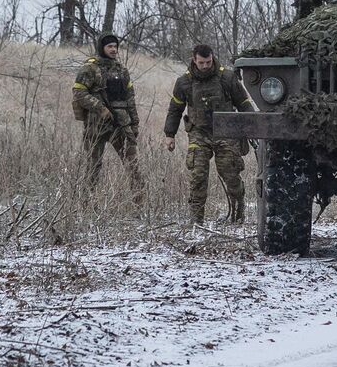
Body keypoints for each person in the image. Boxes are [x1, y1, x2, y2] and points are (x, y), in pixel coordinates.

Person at [163, 44, 256, 224]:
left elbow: (244, 103)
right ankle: (196, 220)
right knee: (198, 175)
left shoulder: (227, 78)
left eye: (208, 61)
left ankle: (237, 216)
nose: (205, 66)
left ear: (212, 58)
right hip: (199, 132)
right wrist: (169, 134)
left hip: (227, 132)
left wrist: (251, 127)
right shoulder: (184, 82)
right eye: (201, 62)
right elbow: (175, 109)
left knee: (230, 173)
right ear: (194, 59)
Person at [73, 33, 144, 200]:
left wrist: (134, 123)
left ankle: (140, 203)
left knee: (132, 164)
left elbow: (130, 98)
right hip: (97, 124)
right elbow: (79, 92)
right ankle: (85, 202)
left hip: (121, 124)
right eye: (109, 46)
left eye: (115, 46)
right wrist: (100, 108)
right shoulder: (90, 69)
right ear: (102, 48)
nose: (113, 49)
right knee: (93, 166)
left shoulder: (121, 70)